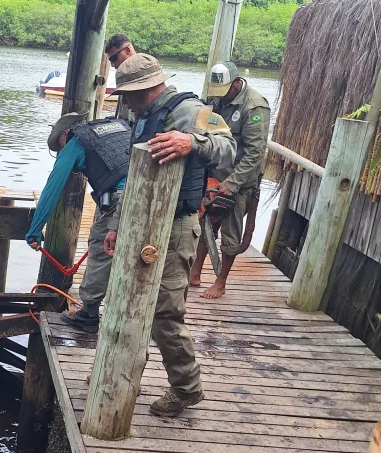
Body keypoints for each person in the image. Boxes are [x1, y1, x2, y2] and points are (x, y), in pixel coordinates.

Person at [104, 53, 236, 417]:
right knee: (125, 299)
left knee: (165, 313)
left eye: (127, 94)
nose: (124, 101)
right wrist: (117, 225)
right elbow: (131, 177)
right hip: (138, 222)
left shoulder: (192, 111)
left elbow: (228, 150)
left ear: (145, 89)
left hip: (176, 226)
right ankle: (121, 370)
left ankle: (186, 388)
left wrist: (191, 143)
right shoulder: (143, 117)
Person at [25, 111, 132, 333]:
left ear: (65, 133)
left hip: (121, 198)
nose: (62, 151)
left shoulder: (76, 141)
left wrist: (35, 229)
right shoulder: (118, 125)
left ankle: (88, 314)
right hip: (152, 192)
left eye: (60, 146)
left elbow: (53, 188)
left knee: (100, 247)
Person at [190, 61, 271, 298]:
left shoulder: (254, 106)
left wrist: (232, 183)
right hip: (215, 176)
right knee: (205, 224)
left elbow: (255, 153)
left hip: (239, 183)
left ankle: (221, 281)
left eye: (225, 90)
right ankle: (195, 271)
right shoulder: (216, 101)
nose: (221, 96)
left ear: (236, 83)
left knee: (231, 233)